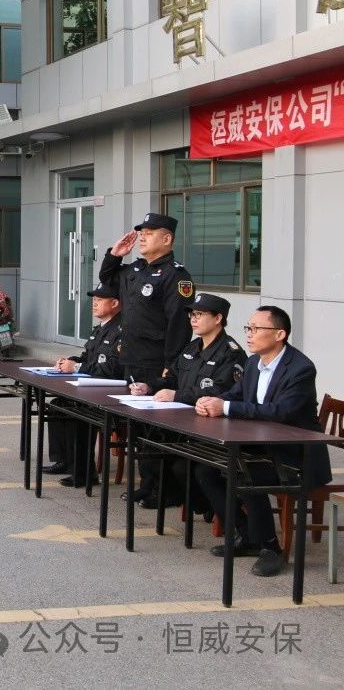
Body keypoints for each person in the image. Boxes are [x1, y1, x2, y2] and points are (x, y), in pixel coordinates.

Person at [194, 306, 332, 577]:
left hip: (295, 457)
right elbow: (235, 394)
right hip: (261, 447)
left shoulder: (301, 368)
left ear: (280, 334)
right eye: (248, 327)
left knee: (247, 474)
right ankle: (248, 535)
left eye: (256, 329)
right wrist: (211, 401)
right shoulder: (252, 363)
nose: (249, 334)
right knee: (206, 469)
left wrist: (226, 408)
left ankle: (271, 548)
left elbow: (281, 412)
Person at [100, 212, 194, 502]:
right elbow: (108, 281)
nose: (142, 238)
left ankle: (165, 490)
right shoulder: (136, 269)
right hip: (132, 358)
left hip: (156, 362)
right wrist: (114, 256)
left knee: (158, 428)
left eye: (149, 233)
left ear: (167, 239)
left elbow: (179, 324)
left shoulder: (176, 275)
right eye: (141, 233)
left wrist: (171, 365)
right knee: (139, 426)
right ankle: (147, 483)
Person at [126, 292, 246, 508]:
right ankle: (151, 486)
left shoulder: (231, 352)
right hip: (181, 416)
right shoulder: (192, 347)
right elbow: (173, 377)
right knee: (148, 434)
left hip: (207, 422)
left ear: (218, 318)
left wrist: (176, 395)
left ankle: (188, 499)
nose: (193, 319)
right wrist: (149, 386)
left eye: (199, 314)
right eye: (192, 314)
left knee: (178, 459)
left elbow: (222, 390)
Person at [45, 284, 123, 487]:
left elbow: (113, 368)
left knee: (77, 413)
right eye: (94, 300)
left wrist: (78, 367)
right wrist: (69, 361)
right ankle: (63, 461)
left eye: (100, 300)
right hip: (91, 388)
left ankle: (84, 473)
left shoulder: (122, 330)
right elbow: (87, 357)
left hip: (108, 392)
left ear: (115, 303)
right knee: (57, 405)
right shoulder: (99, 329)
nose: (94, 304)